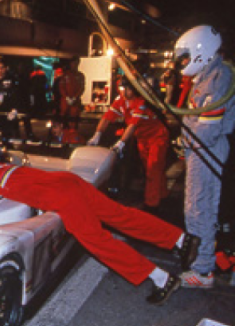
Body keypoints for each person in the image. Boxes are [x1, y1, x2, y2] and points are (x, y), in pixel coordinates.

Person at [0, 160, 200, 305]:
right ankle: (181, 239)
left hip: (64, 199)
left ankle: (162, 278)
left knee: (101, 243)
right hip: (67, 180)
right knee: (120, 215)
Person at [175, 25, 235, 288]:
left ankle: (203, 270)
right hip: (197, 148)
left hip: (206, 148)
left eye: (186, 56)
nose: (185, 62)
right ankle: (199, 261)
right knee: (195, 207)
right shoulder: (205, 76)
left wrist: (187, 139)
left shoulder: (219, 77)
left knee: (201, 207)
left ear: (201, 51)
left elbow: (208, 128)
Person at [88, 77, 170, 213]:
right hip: (142, 138)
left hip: (157, 137)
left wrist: (121, 142)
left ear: (135, 90)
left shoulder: (141, 103)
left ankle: (152, 205)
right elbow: (107, 117)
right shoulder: (121, 100)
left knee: (153, 168)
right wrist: (97, 134)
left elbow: (132, 125)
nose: (124, 91)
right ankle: (163, 195)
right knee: (152, 169)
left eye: (127, 89)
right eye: (123, 88)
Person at [0, 56, 22, 140]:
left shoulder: (12, 80)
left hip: (8, 115)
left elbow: (18, 97)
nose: (0, 70)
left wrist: (15, 110)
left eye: (2, 68)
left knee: (8, 139)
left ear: (6, 68)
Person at [58, 56, 86, 130]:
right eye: (73, 63)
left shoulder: (80, 76)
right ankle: (64, 136)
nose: (75, 64)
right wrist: (66, 97)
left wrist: (75, 97)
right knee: (64, 119)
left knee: (74, 120)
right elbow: (61, 87)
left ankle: (73, 136)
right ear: (70, 64)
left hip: (75, 101)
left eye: (76, 63)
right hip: (65, 101)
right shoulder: (65, 75)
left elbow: (82, 88)